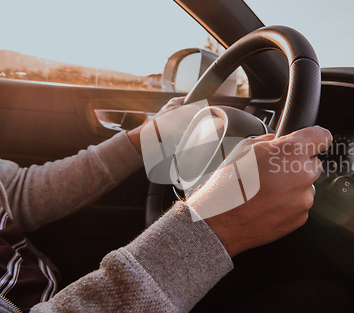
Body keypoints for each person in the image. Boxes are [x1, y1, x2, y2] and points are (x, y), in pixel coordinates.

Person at [0, 97, 332, 312]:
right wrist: (213, 226)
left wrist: (146, 137)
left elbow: (16, 193)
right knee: (319, 298)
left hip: (53, 288)